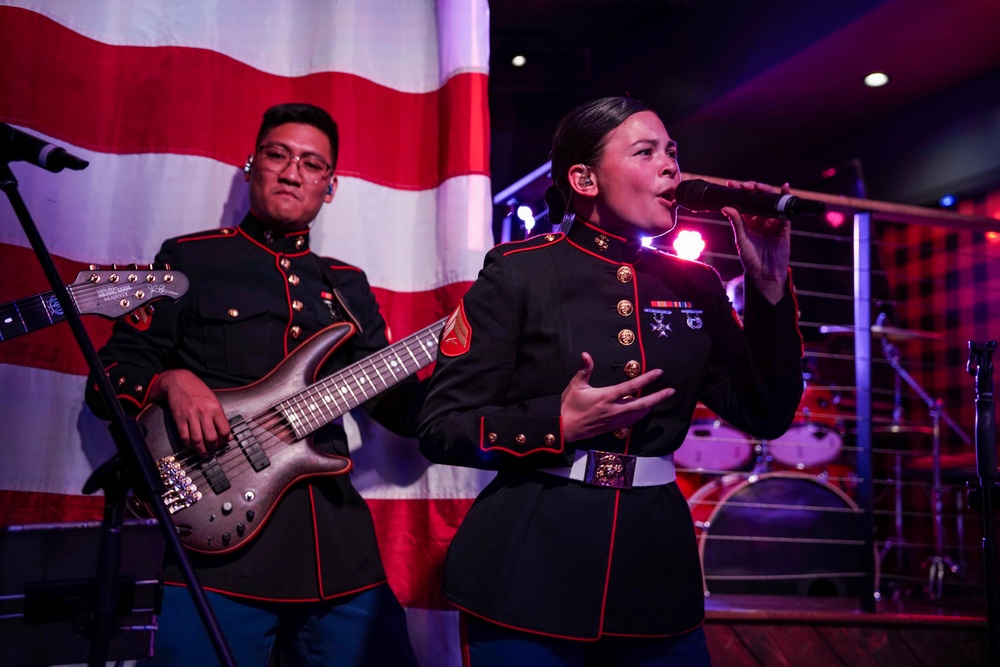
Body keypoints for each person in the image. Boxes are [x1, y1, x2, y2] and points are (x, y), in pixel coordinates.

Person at [418, 96, 804, 665]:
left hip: (655, 576)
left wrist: (769, 283)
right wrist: (558, 425)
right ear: (584, 178)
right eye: (645, 152)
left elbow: (766, 414)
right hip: (526, 570)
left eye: (672, 152)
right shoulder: (519, 272)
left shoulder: (698, 284)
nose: (671, 165)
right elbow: (438, 425)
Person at [86, 103, 422, 666]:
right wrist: (171, 381)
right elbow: (110, 376)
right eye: (278, 154)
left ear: (329, 186)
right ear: (251, 164)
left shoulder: (346, 285)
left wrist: (479, 368)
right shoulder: (191, 259)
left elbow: (400, 407)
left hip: (335, 553)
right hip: (220, 548)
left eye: (312, 164)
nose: (292, 172)